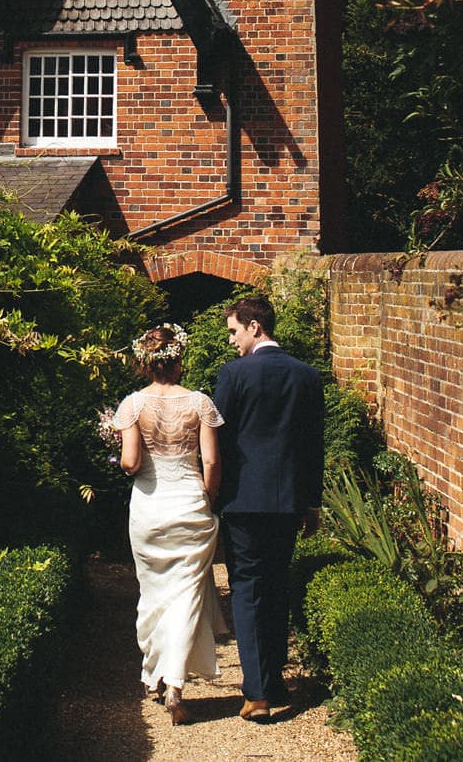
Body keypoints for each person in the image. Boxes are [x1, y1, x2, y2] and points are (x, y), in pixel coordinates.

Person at [213, 294, 325, 722]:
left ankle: (258, 693)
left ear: (254, 327)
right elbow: (314, 445)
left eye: (234, 331)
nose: (232, 341)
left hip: (244, 501)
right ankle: (275, 682)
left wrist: (212, 492)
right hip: (289, 501)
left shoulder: (234, 374)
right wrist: (311, 502)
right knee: (277, 586)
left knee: (247, 589)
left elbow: (219, 441)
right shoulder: (307, 375)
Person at [113, 322, 224, 725]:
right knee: (187, 594)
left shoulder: (132, 405)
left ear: (146, 362)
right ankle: (174, 684)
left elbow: (130, 463)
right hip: (190, 505)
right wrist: (207, 500)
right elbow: (211, 462)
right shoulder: (200, 403)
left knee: (155, 591)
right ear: (179, 361)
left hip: (149, 508)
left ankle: (154, 673)